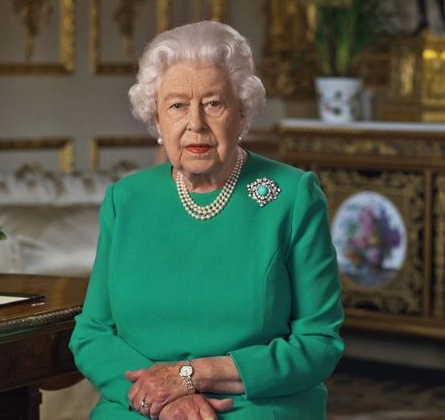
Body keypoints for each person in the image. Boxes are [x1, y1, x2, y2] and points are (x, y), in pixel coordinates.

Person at [69, 21, 344, 420]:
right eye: (177, 106)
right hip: (142, 405)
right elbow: (92, 333)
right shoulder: (125, 200)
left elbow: (319, 344)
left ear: (241, 113)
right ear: (157, 119)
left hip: (254, 405)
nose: (195, 123)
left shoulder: (292, 196)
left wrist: (191, 375)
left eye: (213, 103)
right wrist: (167, 399)